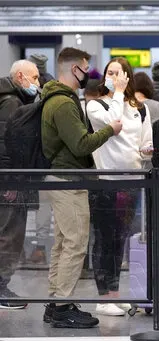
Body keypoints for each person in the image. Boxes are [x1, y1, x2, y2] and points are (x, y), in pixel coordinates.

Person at [41, 47, 122, 329]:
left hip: (63, 178)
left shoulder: (57, 98)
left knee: (64, 242)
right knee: (75, 244)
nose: (89, 73)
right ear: (74, 69)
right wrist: (110, 130)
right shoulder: (62, 103)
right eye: (85, 67)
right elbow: (80, 144)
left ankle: (56, 302)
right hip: (67, 180)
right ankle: (62, 305)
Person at [87, 57, 153, 317]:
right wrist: (117, 92)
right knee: (104, 238)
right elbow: (113, 122)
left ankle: (114, 292)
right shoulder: (96, 105)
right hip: (105, 182)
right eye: (109, 72)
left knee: (120, 238)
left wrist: (147, 151)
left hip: (132, 180)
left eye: (119, 73)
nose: (114, 76)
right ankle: (103, 297)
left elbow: (145, 142)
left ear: (128, 75)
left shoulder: (140, 108)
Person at [0, 59, 40, 309]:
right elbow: (6, 145)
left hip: (10, 178)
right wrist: (11, 180)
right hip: (10, 181)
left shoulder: (12, 100)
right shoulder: (11, 103)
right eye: (34, 78)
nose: (38, 82)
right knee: (9, 234)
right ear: (20, 78)